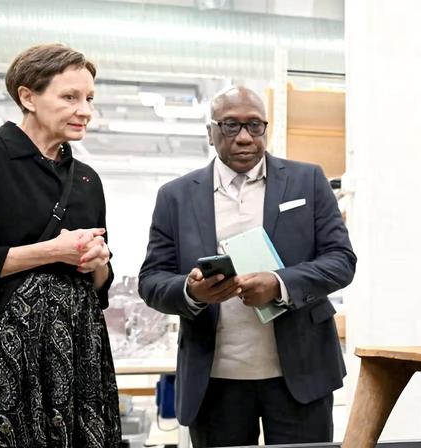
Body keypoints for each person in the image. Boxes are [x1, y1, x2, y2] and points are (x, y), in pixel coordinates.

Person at [139, 86, 356, 447]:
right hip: (214, 383)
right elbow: (151, 280)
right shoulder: (176, 196)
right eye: (230, 126)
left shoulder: (308, 181)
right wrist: (192, 292)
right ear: (211, 132)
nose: (244, 138)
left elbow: (341, 261)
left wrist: (278, 284)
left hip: (299, 376)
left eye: (254, 126)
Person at [0, 44, 120, 446]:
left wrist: (96, 262)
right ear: (27, 96)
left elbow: (100, 285)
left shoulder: (86, 179)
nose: (84, 110)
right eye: (69, 97)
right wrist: (52, 252)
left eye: (89, 98)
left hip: (76, 355)